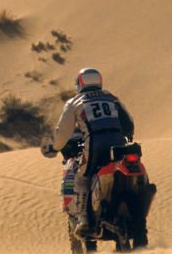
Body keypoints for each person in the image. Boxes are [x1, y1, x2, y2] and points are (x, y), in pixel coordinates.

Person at [42, 67, 134, 236]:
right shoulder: (111, 97)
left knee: (81, 177)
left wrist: (55, 147)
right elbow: (128, 122)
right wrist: (128, 135)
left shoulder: (75, 102)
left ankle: (83, 220)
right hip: (119, 142)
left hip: (95, 143)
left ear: (79, 83)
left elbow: (63, 132)